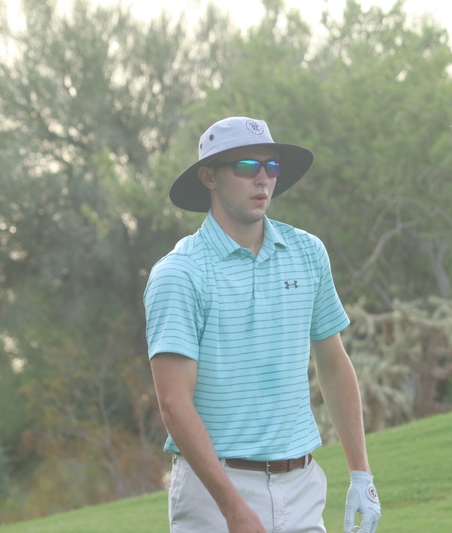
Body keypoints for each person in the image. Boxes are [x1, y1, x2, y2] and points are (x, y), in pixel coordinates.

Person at [144, 116, 381, 533]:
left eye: (271, 167)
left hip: (302, 485)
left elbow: (333, 362)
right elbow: (174, 404)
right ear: (208, 177)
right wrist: (233, 508)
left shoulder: (307, 253)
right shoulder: (179, 274)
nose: (263, 179)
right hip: (214, 492)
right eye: (246, 166)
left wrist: (361, 473)